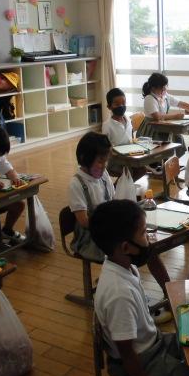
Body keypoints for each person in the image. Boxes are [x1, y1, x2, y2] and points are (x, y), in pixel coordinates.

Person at [91, 200, 189, 376]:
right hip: (142, 361)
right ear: (126, 247)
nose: (149, 238)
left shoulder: (124, 266)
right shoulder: (119, 294)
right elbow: (127, 354)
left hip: (155, 343)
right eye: (143, 233)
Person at [68, 132, 171, 310]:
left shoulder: (103, 176)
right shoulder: (76, 184)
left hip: (111, 230)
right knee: (137, 248)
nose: (104, 165)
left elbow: (113, 202)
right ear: (85, 159)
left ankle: (167, 291)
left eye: (105, 161)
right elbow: (84, 222)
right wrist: (115, 225)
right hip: (91, 237)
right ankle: (130, 289)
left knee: (148, 246)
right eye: (100, 161)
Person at [137, 72, 189, 140]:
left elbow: (181, 104)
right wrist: (175, 116)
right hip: (152, 130)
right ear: (153, 88)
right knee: (175, 139)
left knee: (179, 138)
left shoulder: (165, 96)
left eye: (165, 88)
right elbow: (157, 117)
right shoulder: (149, 98)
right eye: (161, 88)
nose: (163, 90)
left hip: (163, 126)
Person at [102, 88, 146, 180]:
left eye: (123, 103)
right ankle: (118, 188)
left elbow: (131, 139)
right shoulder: (107, 125)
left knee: (142, 170)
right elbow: (105, 147)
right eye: (117, 104)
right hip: (116, 160)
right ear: (109, 107)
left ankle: (123, 187)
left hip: (130, 157)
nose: (121, 106)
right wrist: (113, 152)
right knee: (128, 172)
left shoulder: (128, 120)